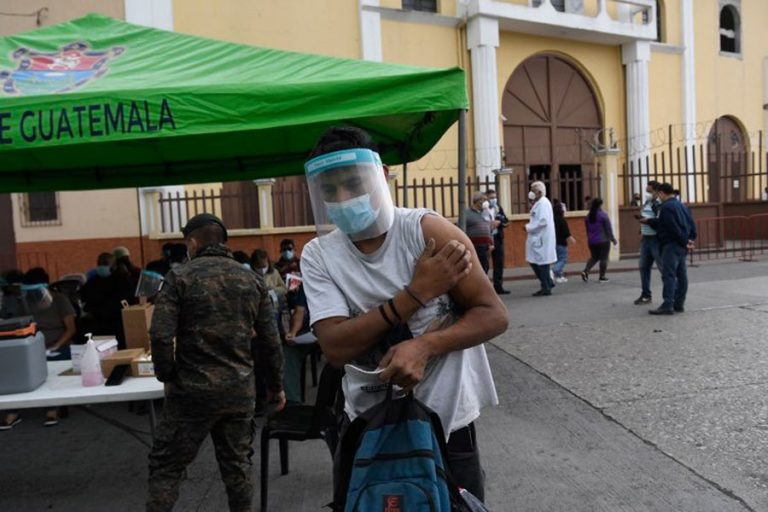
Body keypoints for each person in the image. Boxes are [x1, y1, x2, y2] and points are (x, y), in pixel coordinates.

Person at [300, 126, 507, 502]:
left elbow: (493, 314)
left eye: (353, 183)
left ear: (383, 177)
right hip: (366, 423)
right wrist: (416, 293)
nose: (344, 198)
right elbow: (335, 347)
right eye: (330, 190)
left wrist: (425, 345)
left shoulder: (428, 232)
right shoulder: (318, 255)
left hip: (447, 422)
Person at [146, 213, 284, 512]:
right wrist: (276, 386)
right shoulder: (251, 279)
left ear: (192, 243)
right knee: (237, 468)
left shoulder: (179, 277)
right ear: (223, 241)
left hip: (190, 394)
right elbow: (271, 340)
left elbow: (159, 335)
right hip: (238, 391)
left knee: (167, 468)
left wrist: (167, 376)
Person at [1, 267, 76, 429]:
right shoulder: (27, 302)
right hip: (33, 346)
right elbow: (23, 324)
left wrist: (55, 346)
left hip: (58, 346)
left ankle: (52, 408)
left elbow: (71, 329)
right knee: (15, 369)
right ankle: (13, 410)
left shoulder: (60, 300)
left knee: (52, 368)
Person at [641, 183, 697, 315]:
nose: (658, 197)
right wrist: (690, 240)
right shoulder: (681, 205)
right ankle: (679, 303)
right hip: (682, 245)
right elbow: (691, 224)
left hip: (671, 245)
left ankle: (667, 304)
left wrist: (683, 241)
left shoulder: (666, 207)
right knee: (682, 275)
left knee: (669, 275)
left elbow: (671, 227)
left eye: (658, 195)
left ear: (661, 193)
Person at [281, 282, 316, 406]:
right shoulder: (307, 283)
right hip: (312, 332)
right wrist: (293, 332)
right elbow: (299, 312)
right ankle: (292, 402)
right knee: (288, 351)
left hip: (337, 331)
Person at [80, 252, 125, 340]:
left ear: (114, 266)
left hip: (116, 323)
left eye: (105, 264)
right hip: (96, 324)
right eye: (100, 264)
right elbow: (84, 298)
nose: (102, 266)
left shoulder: (121, 281)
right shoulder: (92, 282)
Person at [525, 181, 557, 296]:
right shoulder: (538, 203)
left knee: (542, 262)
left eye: (533, 190)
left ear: (539, 192)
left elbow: (543, 221)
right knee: (535, 261)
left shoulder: (543, 203)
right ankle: (547, 282)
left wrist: (528, 227)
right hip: (537, 237)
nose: (531, 193)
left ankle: (546, 286)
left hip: (541, 237)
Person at [635, 181, 662, 305]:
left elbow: (660, 221)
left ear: (656, 191)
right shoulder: (648, 202)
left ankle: (672, 295)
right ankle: (646, 295)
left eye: (650, 190)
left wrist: (648, 221)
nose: (648, 192)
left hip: (656, 239)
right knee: (643, 267)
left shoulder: (658, 203)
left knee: (663, 268)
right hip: (646, 238)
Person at [581, 198, 617, 283]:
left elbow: (587, 229)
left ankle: (585, 271)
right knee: (603, 258)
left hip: (592, 241)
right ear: (600, 204)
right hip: (603, 240)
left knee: (594, 257)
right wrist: (613, 239)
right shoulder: (603, 215)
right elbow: (608, 228)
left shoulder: (588, 216)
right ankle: (602, 276)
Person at [486, 189, 510, 294]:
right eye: (491, 198)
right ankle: (485, 287)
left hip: (497, 238)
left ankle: (498, 286)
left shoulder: (498, 207)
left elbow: (506, 220)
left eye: (494, 197)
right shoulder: (483, 208)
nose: (493, 200)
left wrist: (499, 222)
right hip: (486, 238)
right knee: (484, 263)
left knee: (499, 263)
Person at [465, 191, 493, 276]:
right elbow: (461, 228)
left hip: (486, 245)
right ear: (477, 201)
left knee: (485, 267)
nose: (486, 202)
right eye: (484, 200)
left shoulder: (485, 213)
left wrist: (491, 243)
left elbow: (489, 228)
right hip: (475, 245)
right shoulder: (467, 213)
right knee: (479, 268)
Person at [552, 199, 575, 283]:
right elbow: (566, 232)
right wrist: (571, 239)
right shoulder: (562, 220)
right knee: (563, 259)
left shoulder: (552, 220)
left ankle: (559, 276)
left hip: (554, 242)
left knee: (558, 259)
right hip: (561, 243)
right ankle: (554, 270)